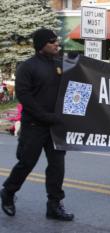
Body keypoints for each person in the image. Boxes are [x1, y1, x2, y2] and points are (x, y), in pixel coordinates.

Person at [0, 28, 74, 221]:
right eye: (52, 42)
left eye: (57, 41)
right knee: (27, 163)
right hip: (34, 125)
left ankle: (54, 205)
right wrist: (45, 116)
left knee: (57, 166)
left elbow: (74, 87)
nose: (56, 44)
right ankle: (8, 192)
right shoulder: (27, 67)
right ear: (41, 45)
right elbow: (25, 96)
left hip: (56, 126)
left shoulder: (61, 65)